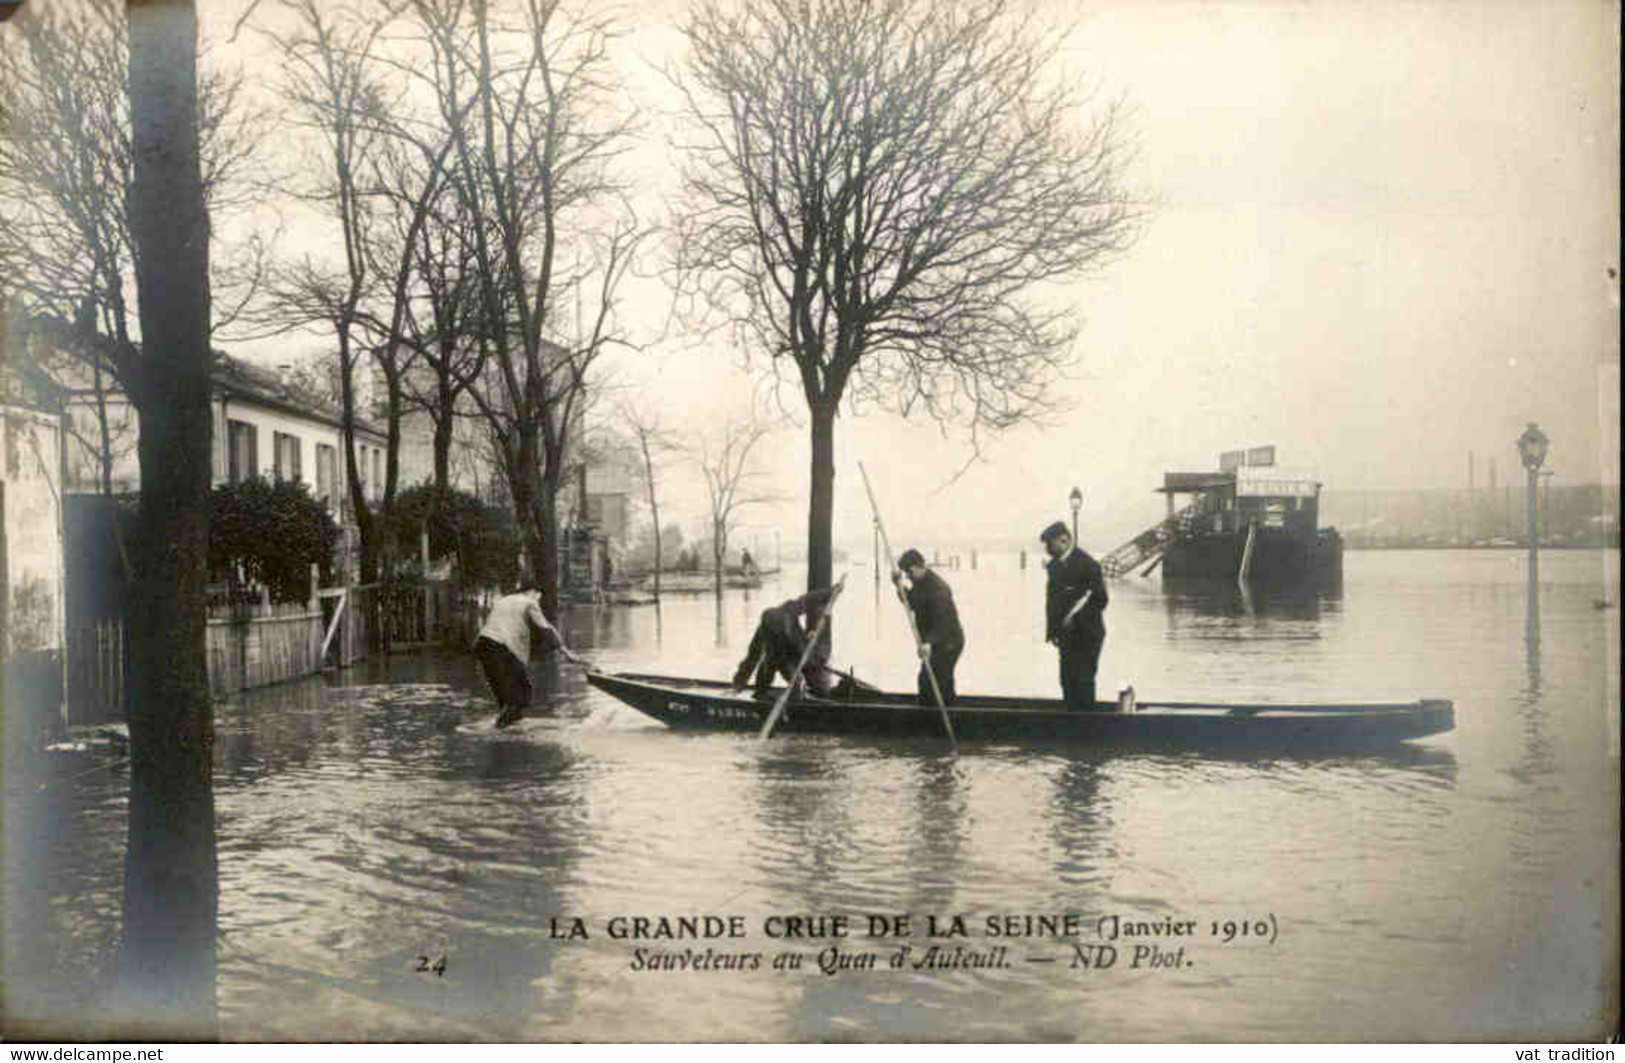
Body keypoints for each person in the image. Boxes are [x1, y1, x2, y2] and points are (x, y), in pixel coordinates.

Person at [475, 586, 584, 728]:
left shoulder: (503, 600)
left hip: (483, 645)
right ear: (533, 592)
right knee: (523, 692)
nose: (539, 601)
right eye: (539, 596)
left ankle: (508, 734)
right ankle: (500, 730)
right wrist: (565, 651)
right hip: (502, 645)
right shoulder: (529, 601)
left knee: (504, 695)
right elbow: (545, 628)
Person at [1040, 520, 1109, 711]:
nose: (1047, 549)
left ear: (1064, 540)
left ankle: (1086, 727)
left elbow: (1101, 600)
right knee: (1066, 680)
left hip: (1088, 634)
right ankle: (1071, 721)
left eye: (1050, 544)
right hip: (1065, 636)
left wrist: (1074, 621)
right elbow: (1052, 602)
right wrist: (1053, 631)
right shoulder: (1054, 566)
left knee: (1084, 680)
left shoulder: (1089, 565)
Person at [732, 585, 839, 696]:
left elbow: (809, 599)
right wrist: (739, 683)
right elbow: (752, 657)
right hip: (782, 658)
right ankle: (761, 696)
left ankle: (817, 693)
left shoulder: (789, 609)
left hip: (801, 652)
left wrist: (830, 591)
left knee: (817, 683)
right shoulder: (765, 631)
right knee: (773, 675)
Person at [893, 548, 965, 706]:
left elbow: (943, 623)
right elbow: (911, 602)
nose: (908, 577)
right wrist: (898, 585)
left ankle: (943, 716)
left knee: (935, 679)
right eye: (906, 574)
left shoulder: (939, 589)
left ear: (919, 566)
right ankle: (936, 713)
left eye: (910, 572)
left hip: (949, 642)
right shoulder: (919, 583)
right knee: (931, 680)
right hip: (937, 641)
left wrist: (928, 643)